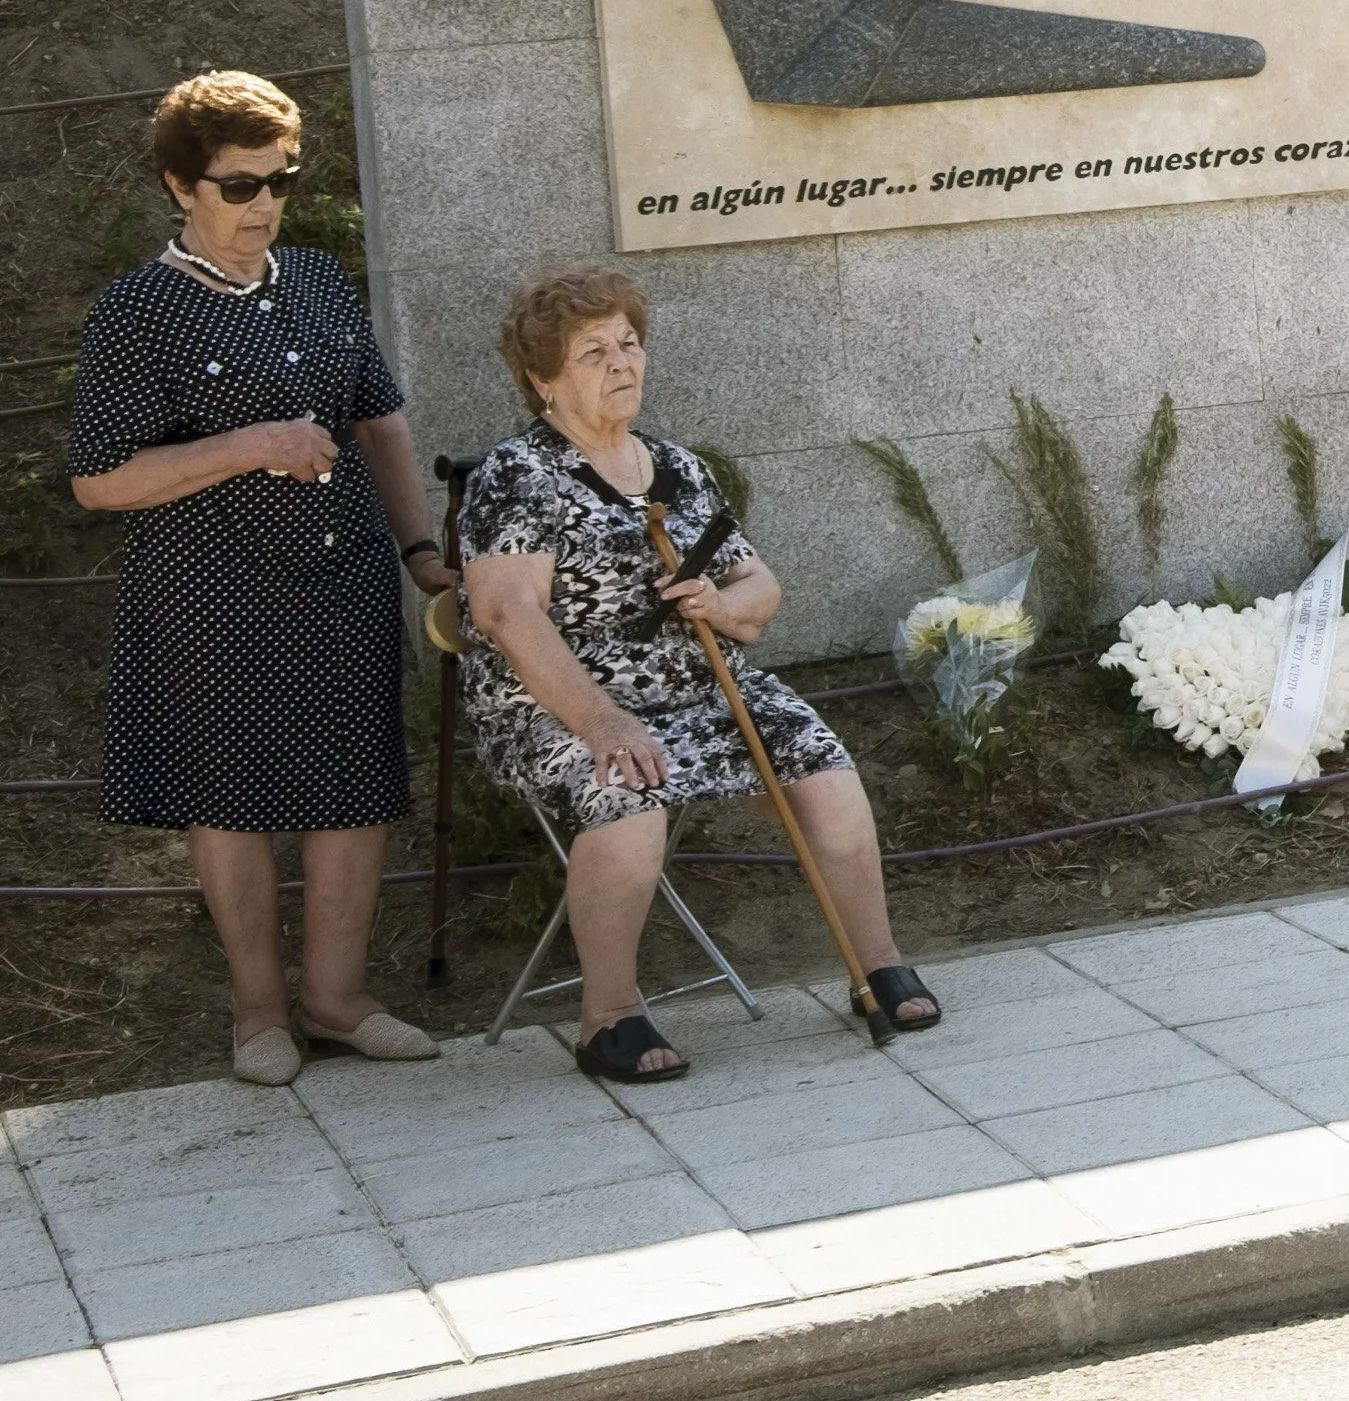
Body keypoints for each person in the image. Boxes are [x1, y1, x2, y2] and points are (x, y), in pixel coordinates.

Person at [457, 268, 939, 1082]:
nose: (621, 364)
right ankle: (608, 1015)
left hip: (700, 679)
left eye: (629, 344)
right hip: (563, 702)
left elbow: (762, 589)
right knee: (629, 790)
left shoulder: (676, 465)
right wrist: (602, 720)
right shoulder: (516, 476)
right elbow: (508, 616)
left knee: (822, 767)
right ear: (541, 378)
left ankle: (876, 968)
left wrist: (719, 601)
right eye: (591, 353)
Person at [66, 72, 446, 1087]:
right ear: (179, 185)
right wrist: (247, 445)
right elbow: (101, 479)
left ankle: (336, 1000)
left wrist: (418, 553)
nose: (264, 204)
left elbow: (383, 421)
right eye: (238, 187)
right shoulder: (139, 310)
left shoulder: (321, 280)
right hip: (209, 590)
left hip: (347, 576)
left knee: (355, 787)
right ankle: (259, 1014)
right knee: (229, 799)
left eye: (278, 180)